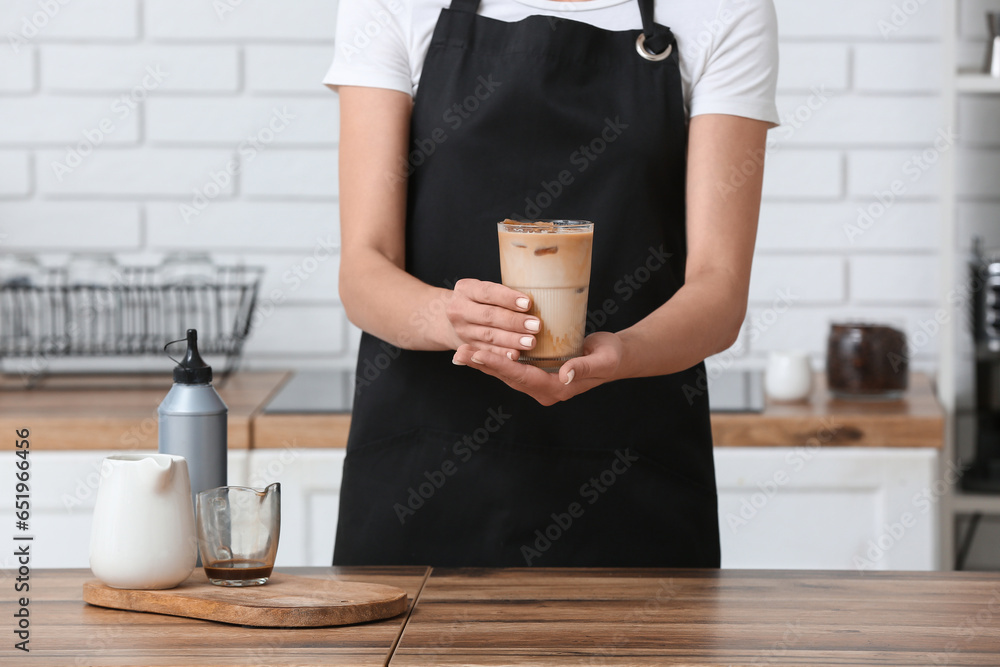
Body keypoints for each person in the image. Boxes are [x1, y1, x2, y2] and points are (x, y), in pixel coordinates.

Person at [324, 0, 778, 567]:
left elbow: (720, 289)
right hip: (423, 475)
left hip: (632, 484)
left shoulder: (725, 10)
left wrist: (624, 353)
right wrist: (454, 318)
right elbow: (364, 269)